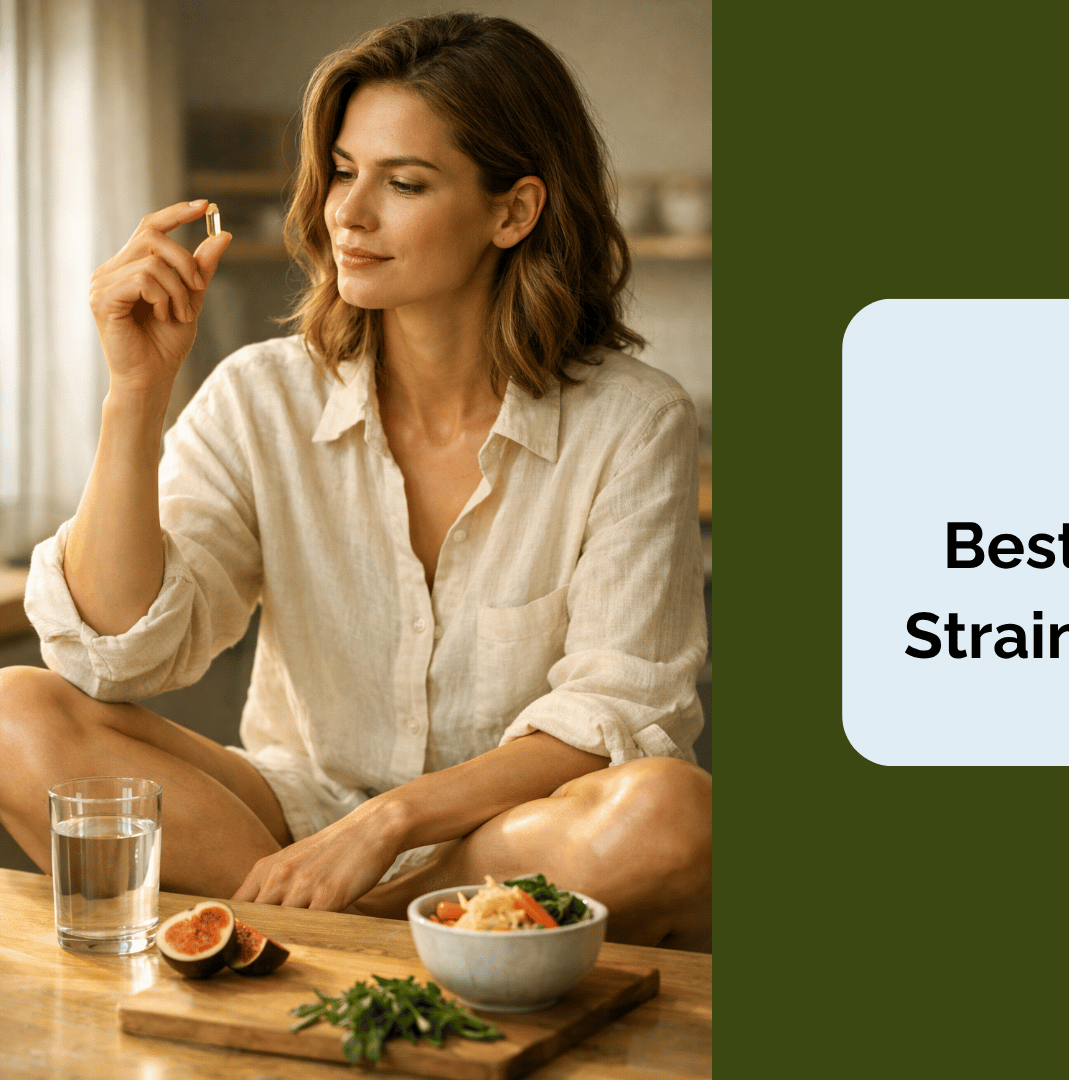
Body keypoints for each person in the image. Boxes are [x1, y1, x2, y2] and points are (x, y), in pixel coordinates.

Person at [0, 13, 711, 950]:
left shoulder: (634, 419)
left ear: (514, 211)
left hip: (504, 840)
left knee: (667, 810)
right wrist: (135, 393)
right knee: (16, 709)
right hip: (289, 817)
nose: (347, 211)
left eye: (403, 182)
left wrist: (385, 828)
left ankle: (332, 933)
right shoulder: (260, 396)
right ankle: (400, 938)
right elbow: (117, 654)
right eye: (342, 170)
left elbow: (615, 715)